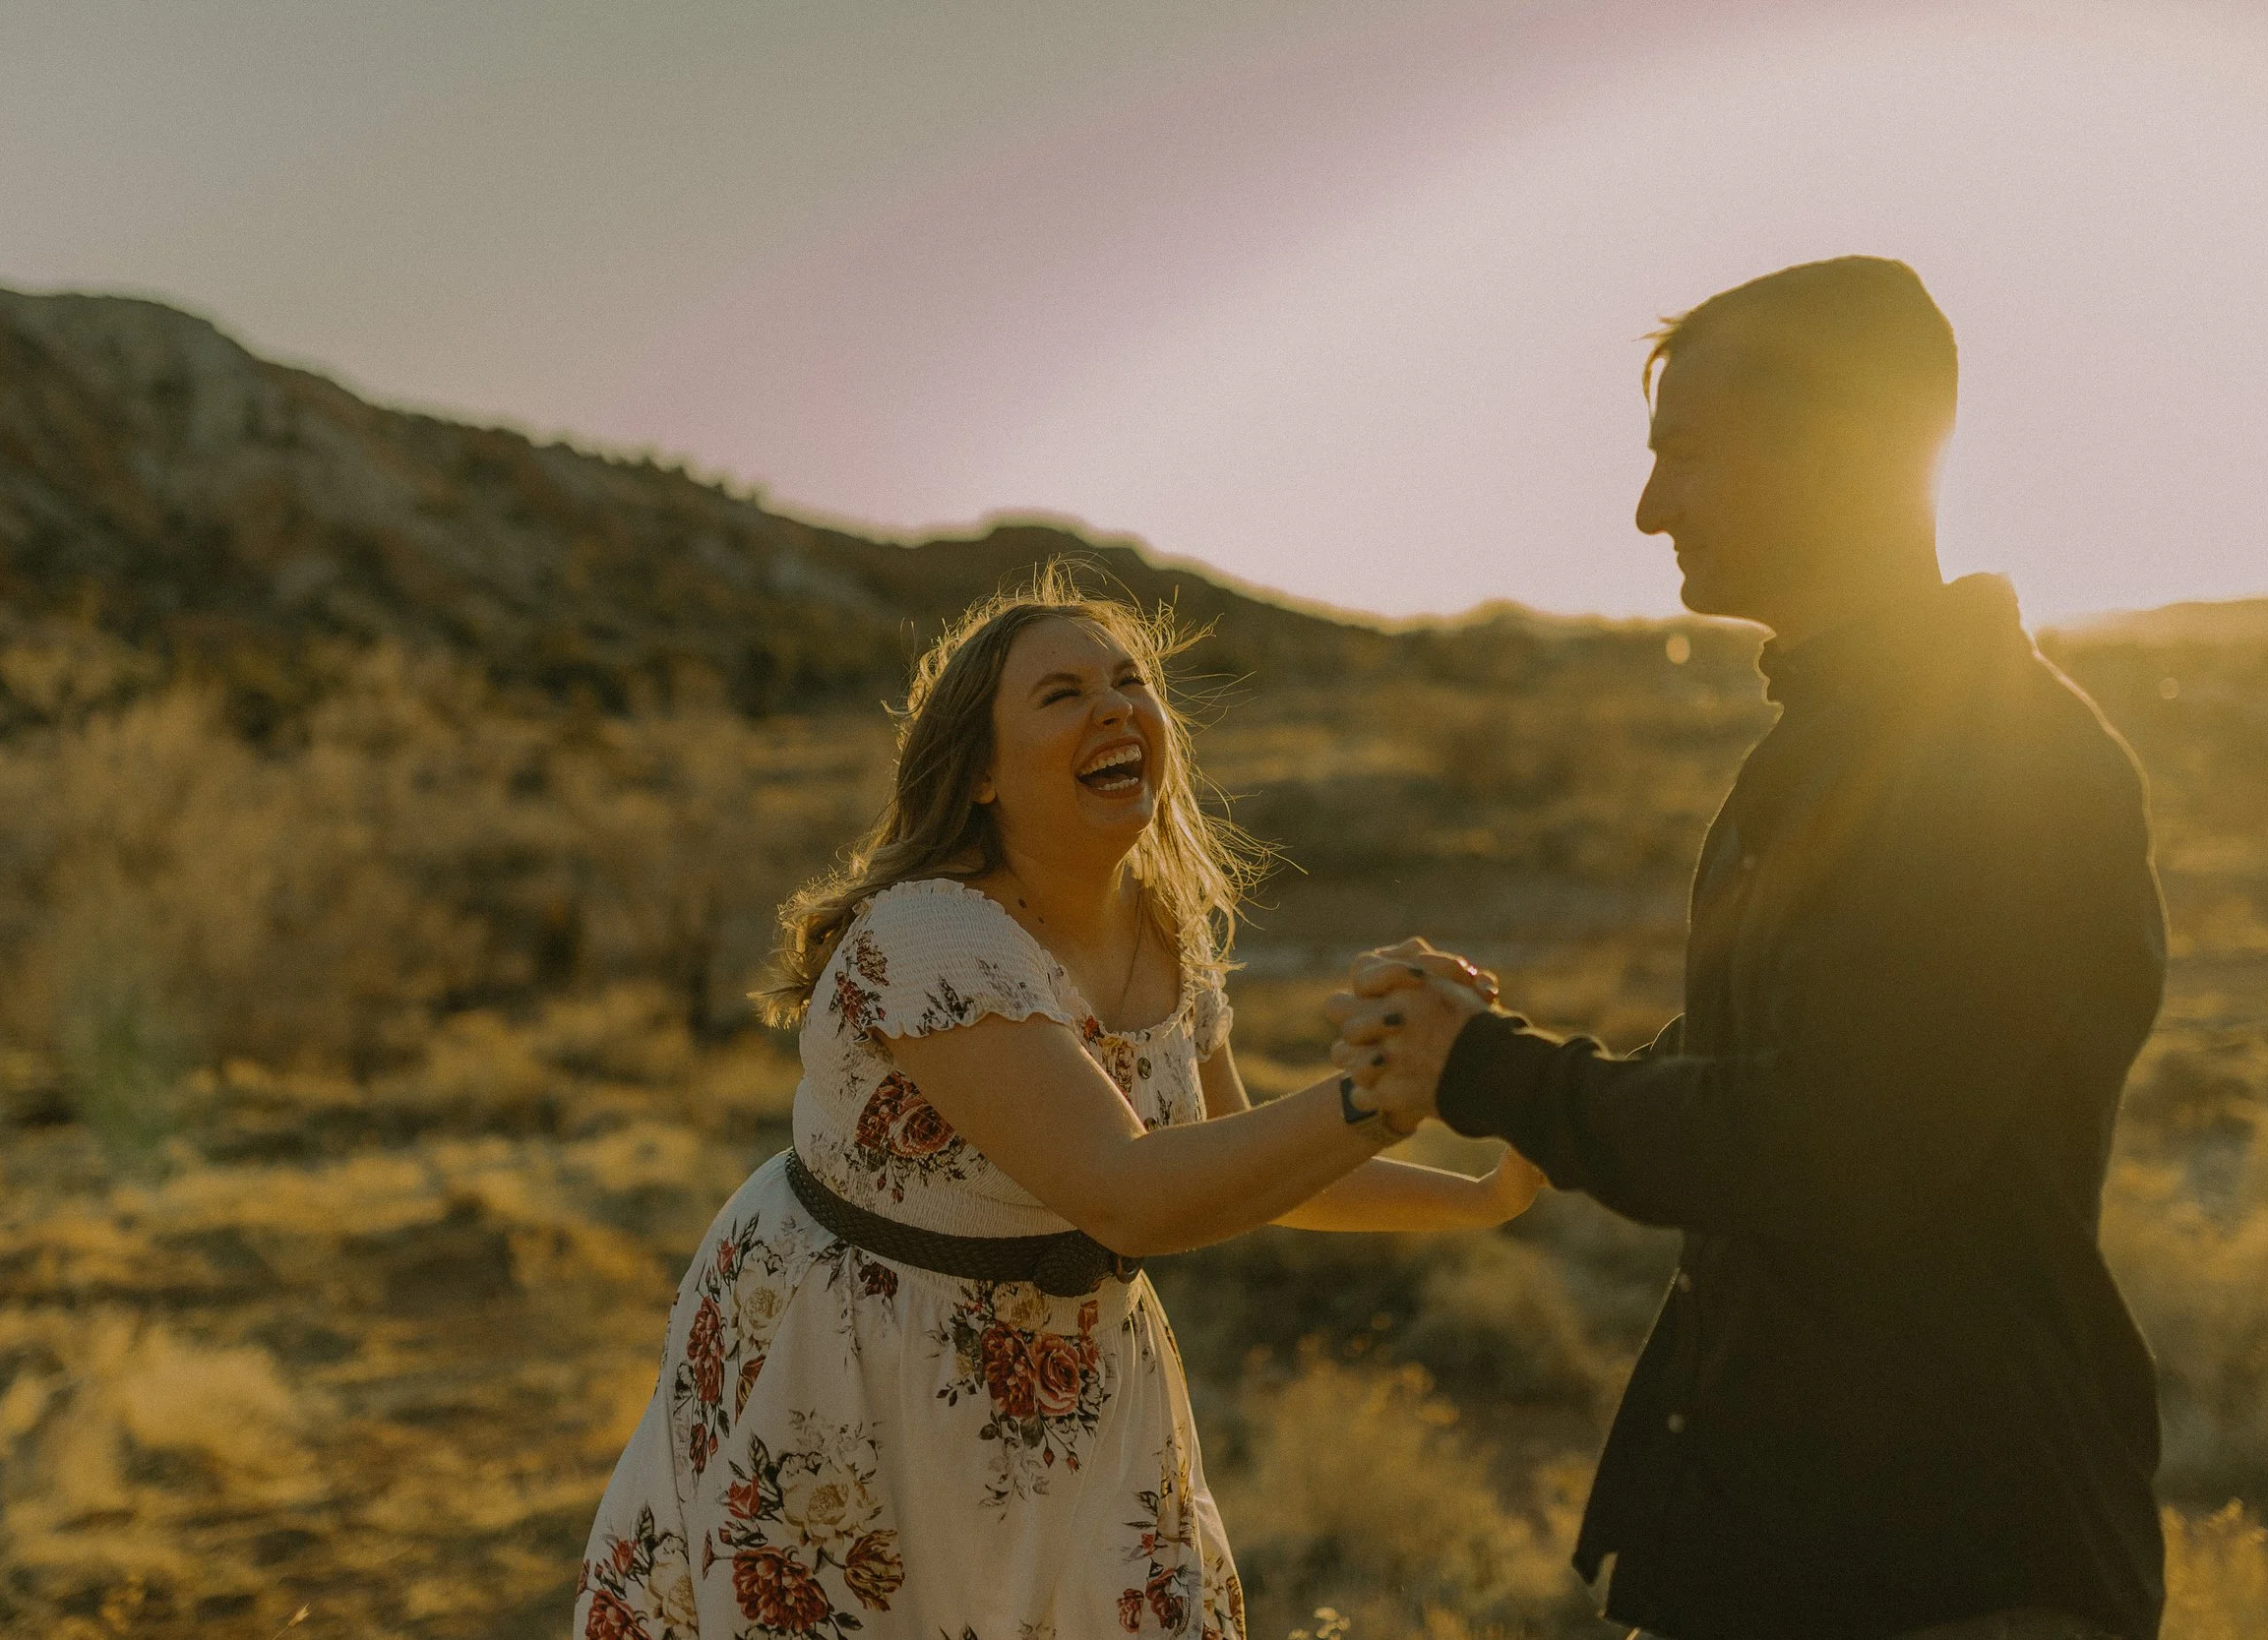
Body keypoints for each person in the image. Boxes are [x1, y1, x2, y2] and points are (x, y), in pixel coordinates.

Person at [1329, 258, 2169, 1640]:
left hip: (1955, 1562)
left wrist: (1499, 1075)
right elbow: (1766, 1064)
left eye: (1685, 456)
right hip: (1788, 1540)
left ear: (1834, 452)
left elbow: (1833, 1137)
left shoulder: (2004, 759)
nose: (1650, 506)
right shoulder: (1826, 746)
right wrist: (1498, 1056)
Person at [573, 570, 1542, 1640]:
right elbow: (1126, 1193)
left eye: (1130, 680)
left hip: (1074, 1381)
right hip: (859, 1373)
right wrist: (1377, 1096)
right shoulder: (927, 936)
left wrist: (1484, 1193)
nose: (1115, 706)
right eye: (1062, 693)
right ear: (980, 771)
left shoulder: (1167, 929)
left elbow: (1236, 1165)